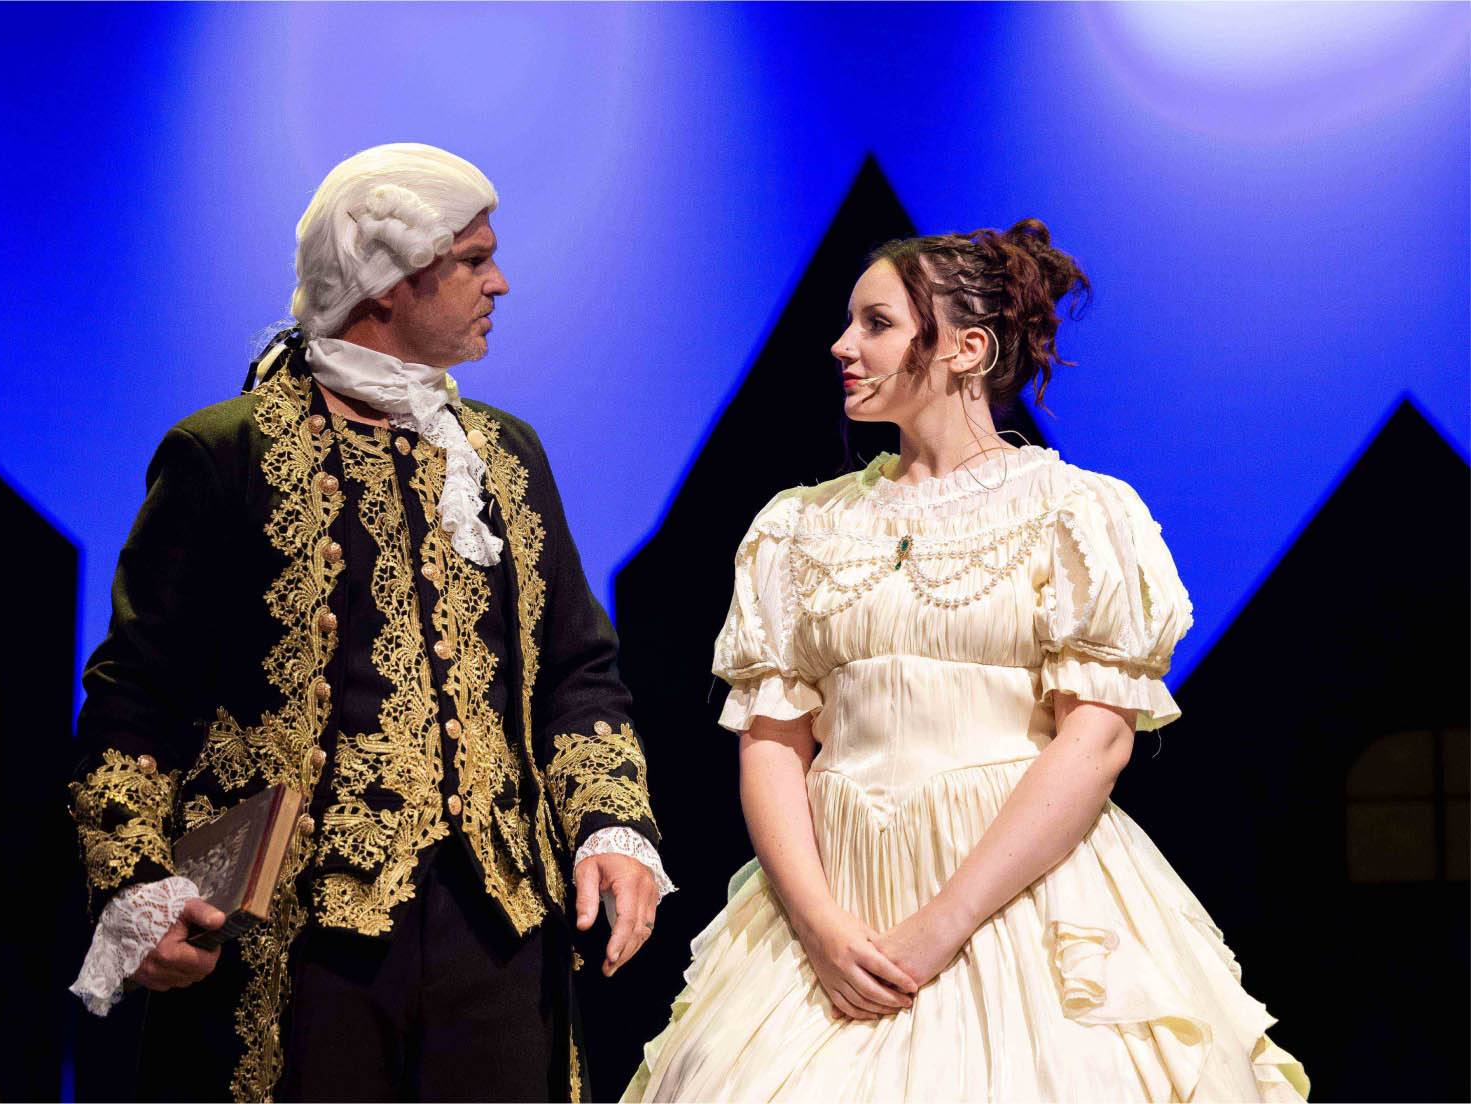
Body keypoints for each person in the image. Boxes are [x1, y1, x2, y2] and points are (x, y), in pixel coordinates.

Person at [625, 221, 1308, 1102]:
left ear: (966, 349)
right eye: (849, 322)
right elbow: (771, 742)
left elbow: (1095, 742)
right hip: (832, 901)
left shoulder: (1072, 511)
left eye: (876, 323)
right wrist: (822, 927)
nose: (842, 345)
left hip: (1015, 891)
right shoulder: (797, 525)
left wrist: (941, 925)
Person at [66, 142, 672, 1102]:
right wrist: (135, 880)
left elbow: (576, 673)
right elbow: (137, 694)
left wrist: (610, 826)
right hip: (297, 942)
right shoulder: (225, 453)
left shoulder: (505, 454)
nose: (499, 283)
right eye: (473, 260)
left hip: (497, 928)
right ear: (388, 280)